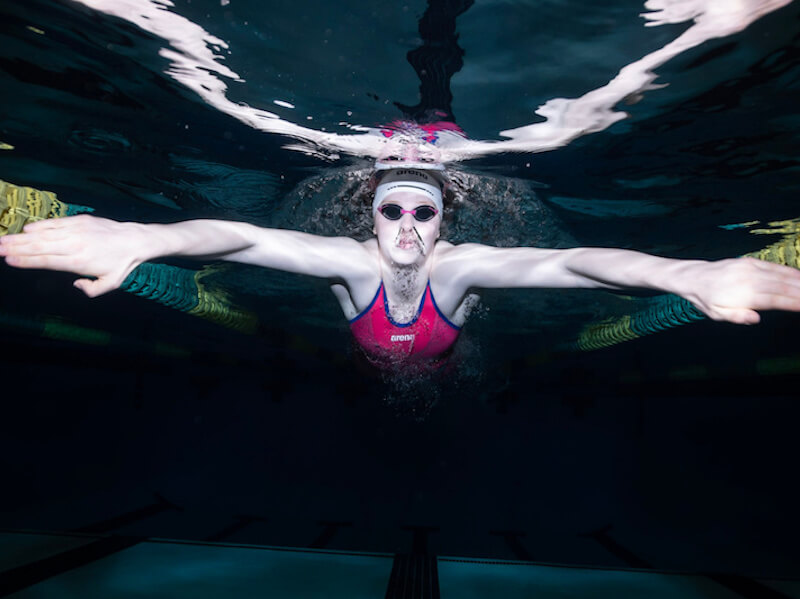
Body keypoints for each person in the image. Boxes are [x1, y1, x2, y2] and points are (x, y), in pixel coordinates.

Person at [1, 162, 799, 369]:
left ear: (445, 218)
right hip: (364, 346)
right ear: (370, 215)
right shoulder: (350, 264)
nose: (410, 226)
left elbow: (577, 265)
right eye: (394, 210)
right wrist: (147, 238)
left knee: (452, 365)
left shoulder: (458, 269)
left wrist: (685, 275)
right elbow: (241, 240)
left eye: (426, 211)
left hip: (443, 350)